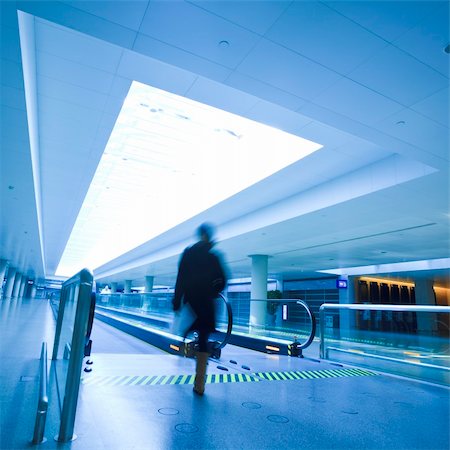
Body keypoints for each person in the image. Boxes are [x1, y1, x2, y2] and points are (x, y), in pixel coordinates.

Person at [172, 223, 227, 395]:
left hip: (192, 300)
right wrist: (214, 290)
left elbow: (180, 277)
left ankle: (184, 342)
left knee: (197, 330)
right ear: (208, 236)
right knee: (203, 336)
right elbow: (223, 279)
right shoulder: (214, 256)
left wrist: (177, 299)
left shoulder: (188, 253)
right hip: (206, 301)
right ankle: (199, 384)